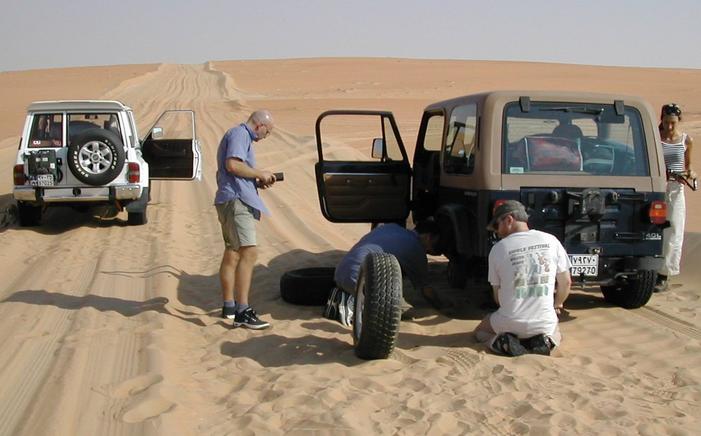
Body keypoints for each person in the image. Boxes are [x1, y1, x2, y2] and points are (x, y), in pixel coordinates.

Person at [474, 200, 572, 356]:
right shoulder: (551, 240)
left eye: (497, 225)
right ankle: (546, 341)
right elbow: (566, 282)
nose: (497, 232)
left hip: (509, 321)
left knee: (480, 332)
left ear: (509, 220)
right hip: (543, 322)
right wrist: (557, 304)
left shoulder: (498, 249)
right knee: (557, 333)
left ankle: (500, 342)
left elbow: (497, 295)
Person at [215, 110, 278, 329]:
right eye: (267, 132)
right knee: (249, 252)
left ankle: (229, 306)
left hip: (231, 198)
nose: (265, 136)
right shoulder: (240, 135)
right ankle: (243, 311)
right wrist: (259, 173)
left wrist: (258, 181)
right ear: (260, 125)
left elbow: (238, 170)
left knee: (232, 253)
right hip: (236, 201)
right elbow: (232, 165)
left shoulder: (239, 136)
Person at [325, 221, 441, 326]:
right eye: (435, 242)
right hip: (357, 281)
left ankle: (348, 295)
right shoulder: (416, 250)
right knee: (400, 308)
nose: (432, 249)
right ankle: (352, 304)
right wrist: (442, 306)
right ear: (428, 237)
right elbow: (427, 291)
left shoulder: (391, 227)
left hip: (341, 270)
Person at [656, 103, 696, 292]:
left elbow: (688, 166)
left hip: (676, 189)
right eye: (666, 122)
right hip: (657, 187)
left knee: (674, 230)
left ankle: (665, 274)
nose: (669, 127)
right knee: (655, 229)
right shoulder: (655, 138)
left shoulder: (686, 140)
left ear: (678, 121)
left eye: (672, 123)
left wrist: (690, 174)